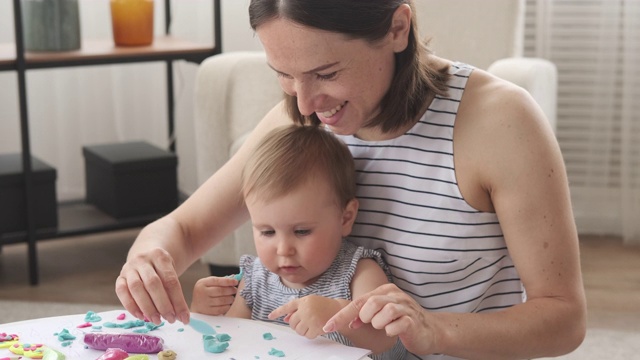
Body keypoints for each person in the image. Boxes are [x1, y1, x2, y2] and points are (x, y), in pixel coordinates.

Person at [115, 1, 587, 359]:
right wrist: (147, 260)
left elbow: (564, 317)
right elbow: (182, 230)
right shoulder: (301, 122)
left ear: (397, 29)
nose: (304, 104)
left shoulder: (498, 120)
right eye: (284, 75)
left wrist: (433, 330)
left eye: (326, 72)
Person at [191, 124, 406, 358]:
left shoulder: (359, 272)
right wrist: (204, 313)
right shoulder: (256, 277)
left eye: (302, 231)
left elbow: (389, 342)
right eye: (267, 232)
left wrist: (337, 314)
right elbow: (230, 342)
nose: (284, 250)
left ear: (345, 218)